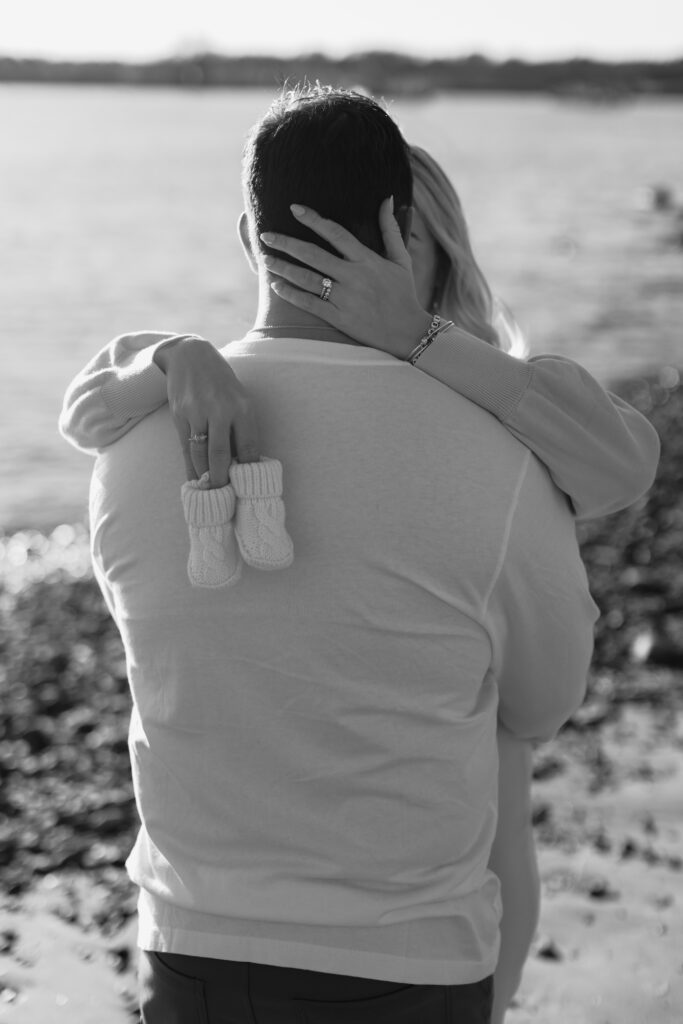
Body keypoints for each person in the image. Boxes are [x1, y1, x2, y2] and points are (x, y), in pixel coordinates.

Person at [61, 138, 659, 1023]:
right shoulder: (496, 459)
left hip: (188, 946)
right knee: (496, 728)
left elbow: (88, 416)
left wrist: (412, 342)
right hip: (403, 958)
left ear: (246, 237)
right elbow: (542, 704)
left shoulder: (132, 447)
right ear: (414, 234)